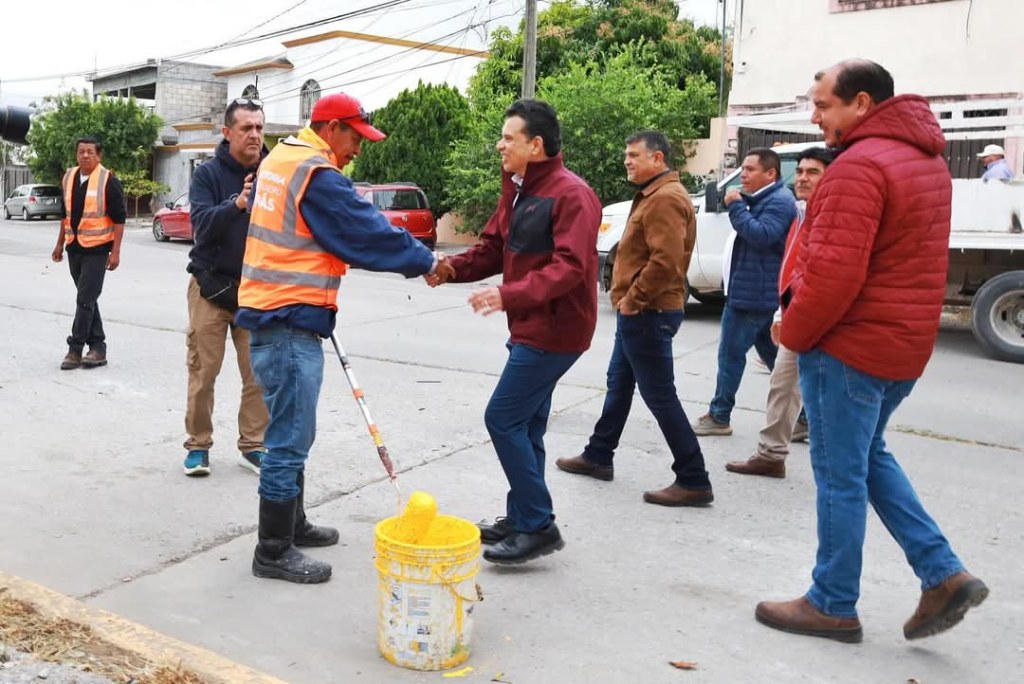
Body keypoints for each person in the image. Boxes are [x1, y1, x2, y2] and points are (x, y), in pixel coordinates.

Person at [756, 60, 988, 643]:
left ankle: (832, 602)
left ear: (861, 103)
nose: (815, 116)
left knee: (839, 475)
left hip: (850, 347)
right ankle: (943, 574)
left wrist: (796, 332)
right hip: (901, 345)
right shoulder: (926, 160)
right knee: (866, 457)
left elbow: (833, 276)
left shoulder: (858, 166)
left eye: (823, 105)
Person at [236, 92, 440, 584]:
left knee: (294, 428)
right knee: (289, 436)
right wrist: (427, 261)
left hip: (276, 315)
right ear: (331, 129)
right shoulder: (316, 173)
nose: (358, 149)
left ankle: (295, 523)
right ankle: (273, 549)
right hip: (286, 321)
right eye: (355, 137)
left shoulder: (280, 159)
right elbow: (363, 230)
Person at [428, 99, 601, 565]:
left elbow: (570, 268)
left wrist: (510, 295)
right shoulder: (519, 189)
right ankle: (523, 515)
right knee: (527, 423)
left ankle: (539, 524)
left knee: (502, 418)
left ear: (536, 144)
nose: (500, 145)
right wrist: (448, 269)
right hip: (529, 324)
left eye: (508, 138)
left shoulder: (572, 195)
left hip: (557, 329)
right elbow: (492, 249)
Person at [554, 130, 713, 507]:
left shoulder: (666, 199)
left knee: (660, 396)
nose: (627, 160)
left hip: (648, 312)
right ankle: (598, 455)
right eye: (626, 154)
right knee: (619, 385)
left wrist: (632, 300)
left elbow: (666, 262)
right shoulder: (655, 194)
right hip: (641, 312)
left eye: (634, 155)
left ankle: (693, 477)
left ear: (658, 159)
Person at [726, 147, 833, 478]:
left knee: (823, 390)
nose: (802, 178)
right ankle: (771, 455)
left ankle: (844, 468)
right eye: (800, 171)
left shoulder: (830, 216)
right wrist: (781, 313)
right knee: (783, 383)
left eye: (813, 172)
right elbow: (792, 266)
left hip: (820, 316)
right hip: (794, 311)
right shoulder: (801, 212)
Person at [181, 98, 270, 478]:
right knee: (205, 372)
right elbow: (199, 223)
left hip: (256, 290)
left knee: (259, 373)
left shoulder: (275, 173)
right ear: (228, 132)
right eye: (246, 127)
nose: (254, 135)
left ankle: (252, 445)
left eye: (260, 128)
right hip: (210, 287)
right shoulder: (207, 174)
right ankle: (198, 446)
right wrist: (236, 204)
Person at [692, 148, 797, 436]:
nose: (743, 175)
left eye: (750, 170)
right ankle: (804, 418)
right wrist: (741, 201)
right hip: (755, 292)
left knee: (730, 356)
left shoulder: (780, 202)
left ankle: (719, 415)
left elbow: (761, 235)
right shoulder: (770, 198)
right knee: (776, 359)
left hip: (752, 296)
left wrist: (737, 205)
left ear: (771, 173)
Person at [51, 137, 126, 370]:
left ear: (98, 156)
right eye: (81, 151)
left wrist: (115, 252)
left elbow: (120, 219)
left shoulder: (108, 180)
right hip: (74, 248)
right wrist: (59, 245)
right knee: (88, 298)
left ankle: (75, 349)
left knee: (84, 299)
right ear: (76, 155)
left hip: (98, 250)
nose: (85, 155)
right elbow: (65, 216)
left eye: (90, 152)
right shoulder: (68, 177)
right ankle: (98, 348)